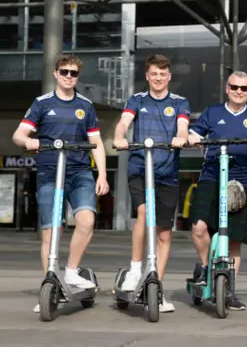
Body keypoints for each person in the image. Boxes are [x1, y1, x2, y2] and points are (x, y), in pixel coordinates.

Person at [12, 54, 110, 313]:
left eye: (73, 73)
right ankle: (50, 283)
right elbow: (19, 133)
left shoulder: (86, 106)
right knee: (51, 231)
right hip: (49, 173)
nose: (68, 76)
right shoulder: (42, 104)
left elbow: (96, 142)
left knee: (86, 220)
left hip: (79, 172)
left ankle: (70, 271)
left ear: (78, 76)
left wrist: (102, 174)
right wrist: (28, 141)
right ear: (55, 73)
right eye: (64, 72)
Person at [188, 70, 247, 311]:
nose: (239, 92)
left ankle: (230, 290)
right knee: (199, 227)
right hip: (212, 177)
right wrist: (190, 138)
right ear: (227, 88)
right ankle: (205, 269)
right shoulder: (212, 112)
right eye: (234, 87)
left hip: (242, 180)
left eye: (244, 88)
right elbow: (193, 133)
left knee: (234, 241)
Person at [113, 54, 189, 313]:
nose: (158, 78)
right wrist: (119, 137)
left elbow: (182, 127)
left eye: (162, 74)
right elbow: (123, 122)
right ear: (147, 76)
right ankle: (135, 270)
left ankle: (154, 284)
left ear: (169, 76)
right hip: (140, 166)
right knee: (144, 214)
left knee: (165, 233)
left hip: (167, 170)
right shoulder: (137, 100)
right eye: (154, 74)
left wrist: (181, 137)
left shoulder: (179, 102)